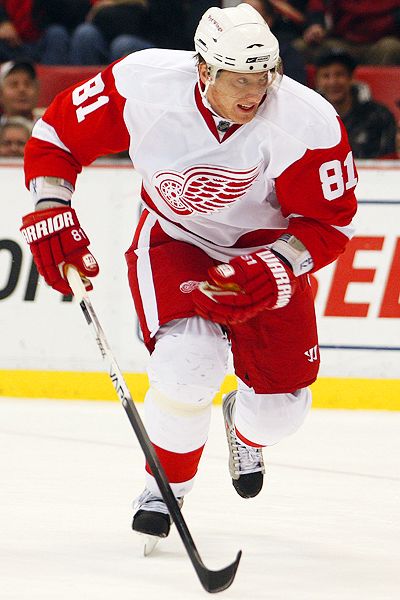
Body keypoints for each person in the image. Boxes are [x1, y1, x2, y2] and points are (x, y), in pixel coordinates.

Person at [21, 3, 357, 543]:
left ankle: (244, 429)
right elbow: (57, 136)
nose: (256, 91)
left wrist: (277, 265)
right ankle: (165, 488)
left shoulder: (308, 121)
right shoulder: (143, 83)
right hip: (176, 239)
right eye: (241, 78)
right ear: (204, 70)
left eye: (265, 75)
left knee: (280, 415)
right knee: (186, 364)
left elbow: (329, 221)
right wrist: (50, 206)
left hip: (263, 252)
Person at [314, 48, 396, 159]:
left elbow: (389, 159)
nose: (333, 82)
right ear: (317, 81)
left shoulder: (379, 116)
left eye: (339, 75)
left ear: (352, 78)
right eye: (325, 76)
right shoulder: (309, 118)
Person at [297, 0, 400, 65]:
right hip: (341, 42)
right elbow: (317, 6)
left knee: (391, 47)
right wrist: (316, 25)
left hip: (378, 44)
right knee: (299, 48)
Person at [70, 0, 153, 65]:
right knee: (85, 33)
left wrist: (100, 9)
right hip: (104, 37)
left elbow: (132, 21)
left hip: (148, 41)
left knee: (122, 45)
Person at [244, 0, 307, 84]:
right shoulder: (229, 47)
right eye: (241, 15)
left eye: (252, 17)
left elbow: (294, 87)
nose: (244, 22)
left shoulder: (286, 53)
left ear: (268, 20)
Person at [0, 60, 41, 128]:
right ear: (1, 93)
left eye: (28, 84)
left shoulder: (49, 130)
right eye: (14, 85)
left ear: (37, 91)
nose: (22, 89)